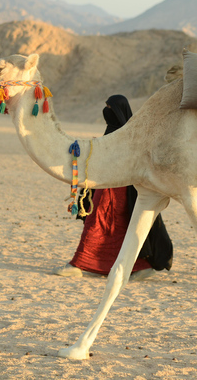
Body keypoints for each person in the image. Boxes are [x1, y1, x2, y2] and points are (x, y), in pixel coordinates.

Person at [53, 95, 173, 278]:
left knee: (97, 223)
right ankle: (138, 266)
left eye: (110, 107)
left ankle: (79, 264)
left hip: (115, 190)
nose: (106, 110)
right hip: (108, 186)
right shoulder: (117, 131)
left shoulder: (125, 135)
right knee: (117, 227)